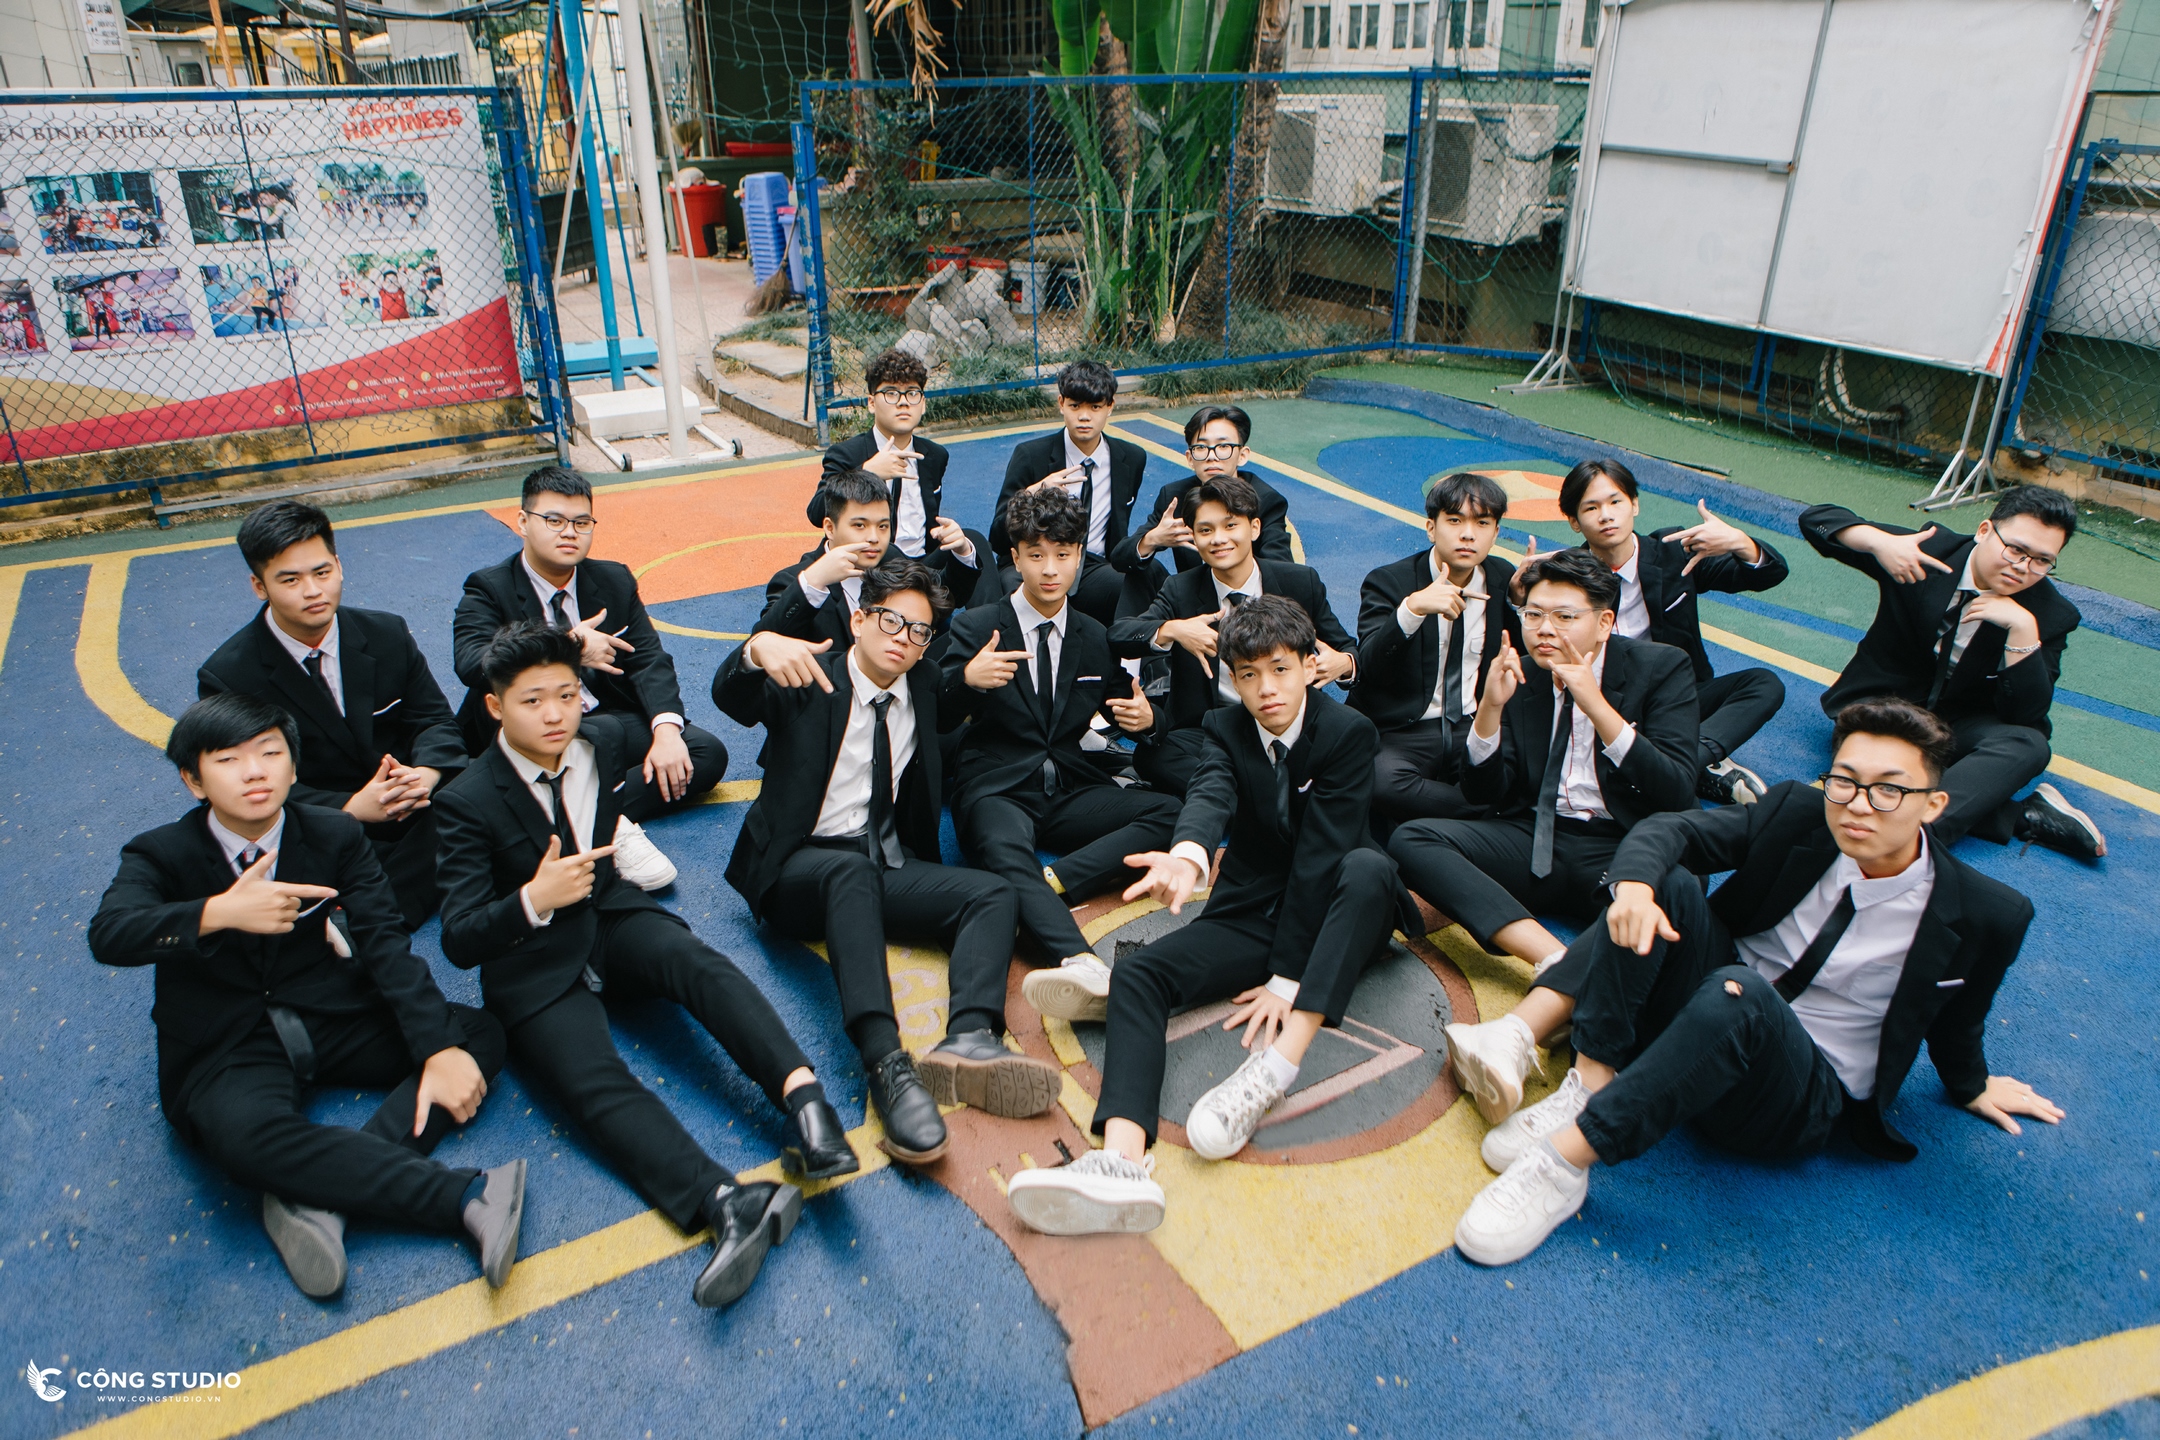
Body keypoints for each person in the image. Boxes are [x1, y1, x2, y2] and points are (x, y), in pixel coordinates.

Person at [1445, 699, 2061, 1266]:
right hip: (1701, 1017)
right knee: (1666, 885)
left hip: (1794, 1093)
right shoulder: (1798, 813)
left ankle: (1564, 1163)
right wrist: (1632, 888)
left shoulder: (1988, 913)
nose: (1857, 804)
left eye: (1888, 790)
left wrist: (1972, 1084)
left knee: (1741, 994)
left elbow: (1962, 1014)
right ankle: (1589, 1087)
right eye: (1844, 781)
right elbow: (1673, 830)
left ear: (1933, 804)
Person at [435, 622, 842, 1308]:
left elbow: (665, 720)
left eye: (567, 694)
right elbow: (457, 938)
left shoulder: (601, 741)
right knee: (593, 1080)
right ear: (495, 706)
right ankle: (727, 1202)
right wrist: (532, 899)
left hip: (608, 913)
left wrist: (666, 730)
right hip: (528, 959)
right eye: (533, 700)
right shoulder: (465, 801)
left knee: (700, 965)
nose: (556, 714)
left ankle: (807, 1104)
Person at [88, 693, 525, 1299]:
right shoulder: (160, 852)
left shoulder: (334, 832)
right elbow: (109, 934)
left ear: (294, 766)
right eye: (228, 760)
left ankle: (318, 1196)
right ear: (193, 780)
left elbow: (384, 943)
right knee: (241, 1137)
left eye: (270, 753)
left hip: (329, 1009)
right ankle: (465, 1196)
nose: (255, 772)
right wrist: (217, 912)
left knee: (474, 1036)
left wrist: (438, 1048)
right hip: (228, 1039)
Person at [1007, 597, 1418, 1233]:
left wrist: (1287, 979)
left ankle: (1275, 1068)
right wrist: (1189, 855)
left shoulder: (1347, 732)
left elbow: (1320, 858)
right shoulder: (1225, 729)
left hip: (1341, 910)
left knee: (1369, 868)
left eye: (1280, 669)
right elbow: (1209, 794)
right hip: (1253, 906)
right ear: (1232, 679)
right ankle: (1122, 1160)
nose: (1266, 689)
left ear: (1310, 667)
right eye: (1248, 675)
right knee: (1140, 973)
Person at [714, 559, 1059, 1164]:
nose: (904, 638)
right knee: (849, 873)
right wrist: (756, 648)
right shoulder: (811, 678)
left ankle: (971, 1037)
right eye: (891, 621)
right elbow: (732, 698)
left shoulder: (920, 683)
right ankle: (887, 1066)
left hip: (881, 862)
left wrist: (969, 677)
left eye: (920, 631)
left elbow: (948, 695)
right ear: (858, 620)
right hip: (797, 870)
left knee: (992, 893)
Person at [1388, 548, 1700, 980]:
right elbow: (1483, 795)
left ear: (1605, 623)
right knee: (1413, 839)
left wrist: (1597, 707)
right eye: (1533, 615)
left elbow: (1676, 791)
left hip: (1622, 843)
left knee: (1679, 887)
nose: (1545, 629)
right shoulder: (1522, 671)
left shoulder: (1661, 667)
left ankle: (1600, 973)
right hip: (1537, 836)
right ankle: (1554, 959)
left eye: (1565, 617)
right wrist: (1489, 711)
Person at [943, 488, 1177, 1001]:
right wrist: (966, 680)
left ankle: (1055, 880)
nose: (1050, 569)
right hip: (998, 787)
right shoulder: (979, 626)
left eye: (1063, 554)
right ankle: (1081, 962)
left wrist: (1147, 719)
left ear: (1078, 556)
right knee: (1004, 853)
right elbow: (933, 713)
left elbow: (1125, 702)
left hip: (1069, 787)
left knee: (1169, 811)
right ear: (1015, 558)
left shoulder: (1093, 634)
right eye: (1036, 555)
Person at [451, 465, 727, 885]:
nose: (569, 533)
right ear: (522, 522)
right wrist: (570, 646)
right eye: (554, 520)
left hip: (601, 722)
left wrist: (666, 731)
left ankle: (577, 813)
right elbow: (473, 662)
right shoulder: (489, 588)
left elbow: (649, 658)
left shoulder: (612, 579)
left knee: (702, 754)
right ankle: (601, 820)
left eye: (582, 522)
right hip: (532, 728)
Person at [199, 501, 467, 931]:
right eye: (290, 579)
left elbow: (434, 720)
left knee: (474, 788)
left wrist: (425, 775)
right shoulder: (230, 675)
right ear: (259, 586)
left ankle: (363, 912)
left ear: (339, 566)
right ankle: (394, 900)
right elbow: (241, 783)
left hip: (411, 802)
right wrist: (350, 807)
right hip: (320, 820)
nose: (312, 591)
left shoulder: (386, 633)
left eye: (322, 572)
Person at [1799, 485, 2102, 860]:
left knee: (2029, 745)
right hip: (1884, 709)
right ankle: (2021, 816)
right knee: (1876, 771)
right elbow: (1817, 519)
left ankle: (1909, 841)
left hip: (1960, 727)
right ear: (1985, 530)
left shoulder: (2050, 612)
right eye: (2016, 549)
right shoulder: (1928, 552)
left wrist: (2023, 634)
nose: (2023, 567)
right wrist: (1878, 542)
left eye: (2042, 560)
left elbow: (2026, 715)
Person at [1553, 458, 1788, 805]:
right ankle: (1685, 767)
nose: (1606, 516)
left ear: (1634, 504)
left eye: (1616, 502)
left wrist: (1741, 543)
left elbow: (1769, 573)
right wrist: (1518, 594)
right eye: (1591, 508)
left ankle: (1687, 761)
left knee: (1764, 684)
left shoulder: (1673, 555)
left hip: (1677, 699)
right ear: (1574, 521)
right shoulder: (1564, 574)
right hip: (1602, 703)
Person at [1107, 474, 1356, 796]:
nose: (1218, 539)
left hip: (1286, 717)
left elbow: (1348, 647)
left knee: (1350, 742)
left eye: (1230, 526)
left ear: (1254, 528)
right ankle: (1268, 793)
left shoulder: (1298, 582)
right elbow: (1120, 634)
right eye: (1205, 530)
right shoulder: (1181, 589)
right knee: (1153, 756)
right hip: (1214, 726)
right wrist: (1173, 629)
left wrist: (1343, 663)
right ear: (1193, 538)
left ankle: (1234, 794)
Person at [1350, 471, 1523, 828]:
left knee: (1522, 772)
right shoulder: (1390, 581)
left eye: (1482, 523)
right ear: (1431, 528)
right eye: (1455, 520)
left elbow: (1524, 656)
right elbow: (1370, 667)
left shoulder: (1504, 579)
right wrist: (1411, 610)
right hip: (1406, 728)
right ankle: (1485, 816)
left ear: (1496, 533)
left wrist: (1525, 604)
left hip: (1473, 724)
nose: (1468, 534)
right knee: (1382, 782)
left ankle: (1462, 814)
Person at [811, 349, 993, 611]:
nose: (903, 402)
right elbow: (817, 511)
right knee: (895, 555)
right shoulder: (847, 454)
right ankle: (931, 601)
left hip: (923, 561)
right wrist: (868, 472)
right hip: (876, 561)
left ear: (923, 403)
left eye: (912, 393)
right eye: (891, 393)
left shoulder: (934, 455)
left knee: (971, 541)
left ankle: (989, 623)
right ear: (871, 402)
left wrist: (948, 537)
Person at [988, 359, 1147, 625]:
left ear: (1110, 406)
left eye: (1095, 407)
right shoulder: (1031, 456)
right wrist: (1033, 493)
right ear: (1061, 403)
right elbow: (997, 538)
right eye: (1075, 406)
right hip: (1037, 560)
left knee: (1137, 588)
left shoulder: (1131, 458)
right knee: (1014, 598)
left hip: (1093, 566)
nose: (1084, 416)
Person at [1110, 404, 1295, 585]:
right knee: (1142, 572)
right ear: (1190, 458)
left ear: (1242, 455)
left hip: (1247, 595)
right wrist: (1153, 539)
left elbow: (1281, 569)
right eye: (1200, 447)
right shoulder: (1175, 497)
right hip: (1193, 597)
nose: (1211, 456)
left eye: (1223, 446)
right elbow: (1119, 558)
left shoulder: (1266, 500)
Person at [752, 467, 904, 658]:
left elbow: (933, 586)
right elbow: (761, 643)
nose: (874, 537)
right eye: (860, 525)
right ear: (830, 528)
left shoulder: (892, 557)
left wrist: (945, 553)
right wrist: (814, 582)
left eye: (883, 526)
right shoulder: (795, 580)